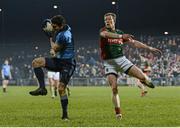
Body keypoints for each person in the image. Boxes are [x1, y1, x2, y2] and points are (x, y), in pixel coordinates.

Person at [99, 12, 162, 119]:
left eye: (109, 19)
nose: (107, 22)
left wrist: (149, 48)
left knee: (142, 77)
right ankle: (118, 112)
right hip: (109, 63)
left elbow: (134, 43)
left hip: (122, 60)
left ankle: (145, 81)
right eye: (106, 20)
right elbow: (105, 35)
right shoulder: (103, 31)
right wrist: (120, 36)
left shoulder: (120, 32)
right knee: (114, 88)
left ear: (114, 20)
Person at [29, 15, 76, 120]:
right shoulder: (63, 28)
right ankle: (42, 88)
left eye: (54, 27)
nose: (53, 28)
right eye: (52, 26)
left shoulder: (65, 35)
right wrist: (53, 39)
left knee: (61, 89)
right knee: (36, 62)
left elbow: (54, 50)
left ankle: (65, 115)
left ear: (61, 25)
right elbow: (55, 51)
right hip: (59, 61)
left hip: (68, 64)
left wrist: (50, 37)